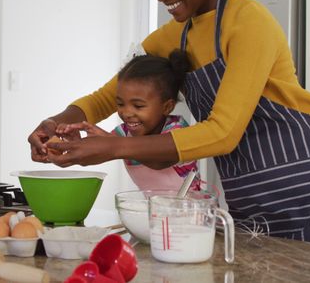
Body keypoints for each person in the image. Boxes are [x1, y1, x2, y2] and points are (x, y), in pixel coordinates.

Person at [28, 0, 310, 251]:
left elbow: (223, 131)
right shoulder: (171, 37)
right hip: (246, 191)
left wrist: (114, 148)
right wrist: (56, 123)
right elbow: (105, 98)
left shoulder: (249, 21)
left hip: (309, 182)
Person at [55, 51, 201, 192]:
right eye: (120, 104)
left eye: (138, 106)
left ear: (167, 107)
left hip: (192, 212)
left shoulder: (177, 129)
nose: (126, 113)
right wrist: (73, 143)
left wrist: (110, 143)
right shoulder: (124, 133)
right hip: (157, 213)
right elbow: (100, 150)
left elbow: (158, 161)